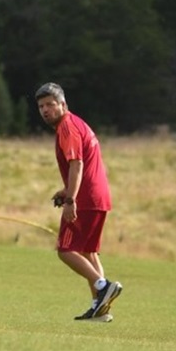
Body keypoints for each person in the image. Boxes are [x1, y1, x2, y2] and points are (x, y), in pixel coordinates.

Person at [35, 83, 122, 321]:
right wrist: (66, 190)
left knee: (66, 250)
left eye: (50, 105)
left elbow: (77, 164)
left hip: (85, 199)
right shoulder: (77, 124)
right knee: (88, 252)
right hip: (98, 197)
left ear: (63, 104)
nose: (45, 110)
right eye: (41, 106)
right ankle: (100, 309)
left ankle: (102, 286)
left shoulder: (67, 127)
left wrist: (71, 199)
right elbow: (84, 165)